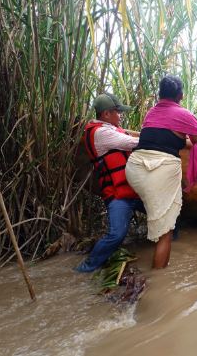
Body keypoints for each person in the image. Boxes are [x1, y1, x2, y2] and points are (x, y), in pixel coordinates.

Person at [125, 75, 197, 269]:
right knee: (166, 232)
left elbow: (164, 136)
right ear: (180, 95)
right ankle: (158, 280)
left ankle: (150, 229)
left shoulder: (151, 113)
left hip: (135, 168)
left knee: (158, 215)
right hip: (159, 169)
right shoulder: (184, 114)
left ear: (160, 94)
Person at [76, 93, 144, 273]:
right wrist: (160, 138)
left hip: (134, 191)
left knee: (167, 216)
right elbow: (134, 143)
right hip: (118, 194)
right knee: (116, 235)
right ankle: (85, 268)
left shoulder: (110, 129)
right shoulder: (102, 133)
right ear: (106, 114)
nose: (120, 115)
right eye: (118, 112)